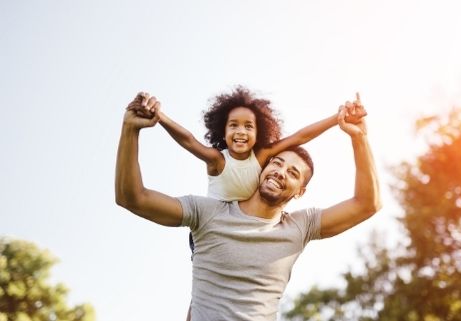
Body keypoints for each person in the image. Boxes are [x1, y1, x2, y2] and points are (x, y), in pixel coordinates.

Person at [115, 92, 381, 321]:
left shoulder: (300, 227)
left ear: (301, 192)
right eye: (277, 163)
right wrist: (130, 130)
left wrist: (360, 138)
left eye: (293, 173)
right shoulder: (207, 213)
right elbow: (133, 198)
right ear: (263, 167)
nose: (280, 172)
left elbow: (367, 204)